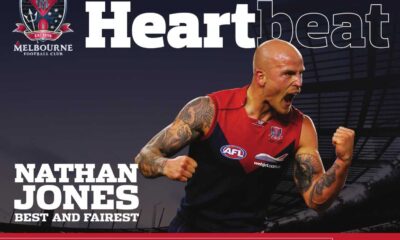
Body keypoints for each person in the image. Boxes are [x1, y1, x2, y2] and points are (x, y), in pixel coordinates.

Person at [134, 39, 355, 232]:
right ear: (261, 77)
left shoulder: (302, 127)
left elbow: (316, 200)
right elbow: (145, 156)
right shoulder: (209, 110)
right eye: (289, 74)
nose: (299, 83)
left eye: (300, 74)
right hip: (191, 229)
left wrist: (343, 162)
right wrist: (165, 165)